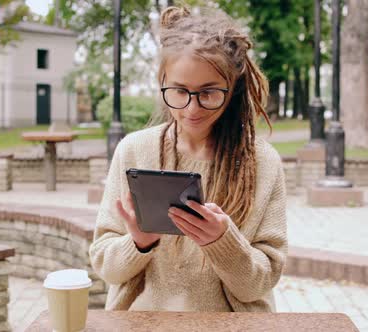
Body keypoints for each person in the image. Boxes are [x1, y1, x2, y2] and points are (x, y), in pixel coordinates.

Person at [89, 6, 287, 312]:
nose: (192, 109)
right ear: (163, 80)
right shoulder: (133, 151)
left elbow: (259, 284)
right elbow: (106, 267)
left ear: (232, 89)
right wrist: (139, 242)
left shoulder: (263, 162)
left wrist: (223, 242)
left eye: (208, 93)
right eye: (180, 91)